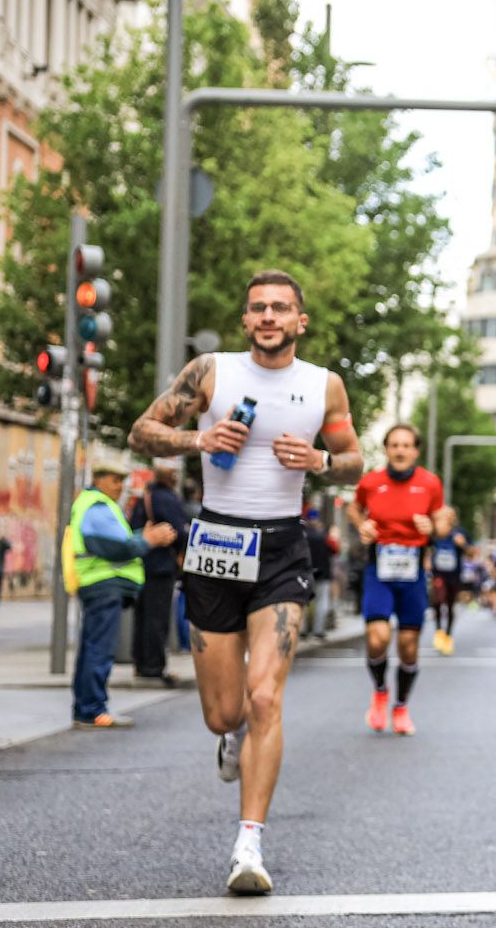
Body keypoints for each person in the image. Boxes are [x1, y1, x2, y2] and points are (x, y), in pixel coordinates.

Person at [127, 269, 363, 894]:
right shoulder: (212, 372)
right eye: (258, 307)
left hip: (282, 547)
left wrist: (319, 460)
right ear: (245, 319)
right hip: (216, 542)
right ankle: (231, 738)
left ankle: (249, 845)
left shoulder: (323, 384)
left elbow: (354, 463)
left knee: (265, 699)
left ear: (299, 321)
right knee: (223, 712)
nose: (268, 317)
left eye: (280, 308)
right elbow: (141, 431)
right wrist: (198, 437)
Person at [65, 458, 177, 729]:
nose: (120, 486)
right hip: (103, 584)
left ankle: (86, 709)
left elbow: (118, 541)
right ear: (99, 479)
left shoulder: (96, 505)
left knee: (93, 647)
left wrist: (139, 536)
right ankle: (92, 710)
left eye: (122, 481)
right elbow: (117, 547)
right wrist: (148, 540)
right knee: (99, 649)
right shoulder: (98, 506)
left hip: (98, 584)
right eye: (115, 480)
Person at [354, 425, 443, 735]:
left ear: (415, 451)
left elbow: (442, 521)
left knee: (408, 646)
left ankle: (401, 706)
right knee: (377, 638)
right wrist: (362, 525)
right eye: (394, 445)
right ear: (386, 449)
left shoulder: (430, 483)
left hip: (413, 571)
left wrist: (432, 527)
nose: (400, 450)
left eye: (406, 445)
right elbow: (355, 509)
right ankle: (380, 690)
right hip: (379, 569)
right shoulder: (371, 481)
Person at [126, 458, 188, 687]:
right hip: (161, 565)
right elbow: (179, 531)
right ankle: (154, 666)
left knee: (143, 616)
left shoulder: (145, 497)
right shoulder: (166, 498)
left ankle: (142, 663)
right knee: (157, 618)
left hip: (142, 563)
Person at [428, 507, 471, 655]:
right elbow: (426, 547)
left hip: (454, 575)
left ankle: (448, 635)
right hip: (438, 573)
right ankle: (439, 632)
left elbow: (471, 553)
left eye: (450, 515)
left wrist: (463, 545)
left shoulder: (460, 532)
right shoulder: (434, 533)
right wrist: (427, 559)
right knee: (437, 600)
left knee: (450, 605)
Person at [301, 503, 334, 640]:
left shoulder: (302, 535)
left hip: (305, 572)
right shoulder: (324, 535)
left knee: (304, 602)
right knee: (322, 602)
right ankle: (318, 630)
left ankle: (303, 630)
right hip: (323, 573)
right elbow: (335, 549)